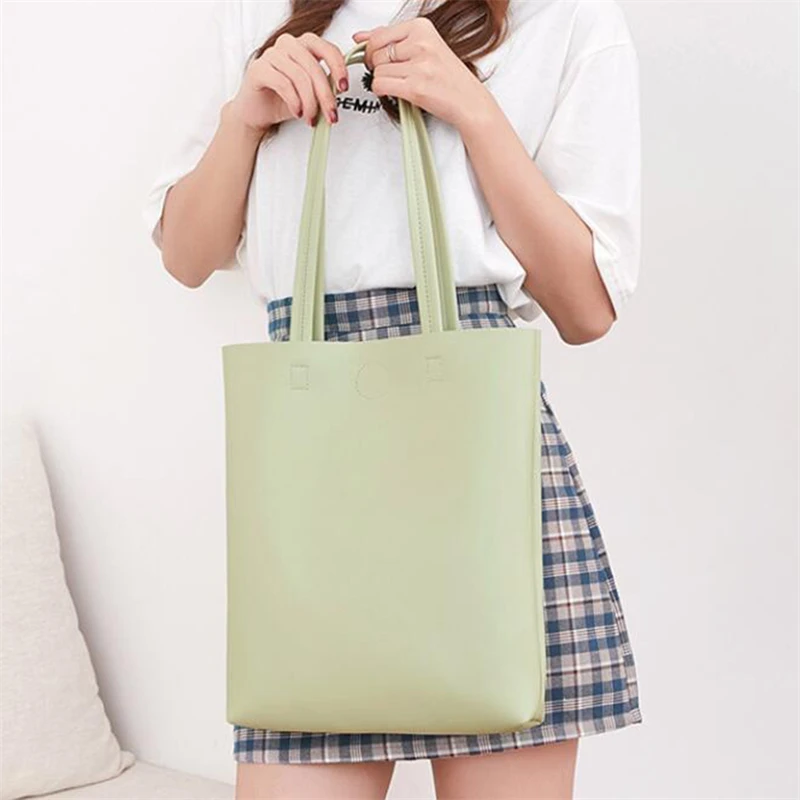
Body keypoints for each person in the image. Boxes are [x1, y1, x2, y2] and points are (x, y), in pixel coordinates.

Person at [142, 1, 643, 797]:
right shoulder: (259, 13)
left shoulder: (566, 20)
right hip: (319, 473)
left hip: (479, 476)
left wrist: (474, 111)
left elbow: (586, 309)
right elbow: (187, 255)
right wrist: (245, 119)